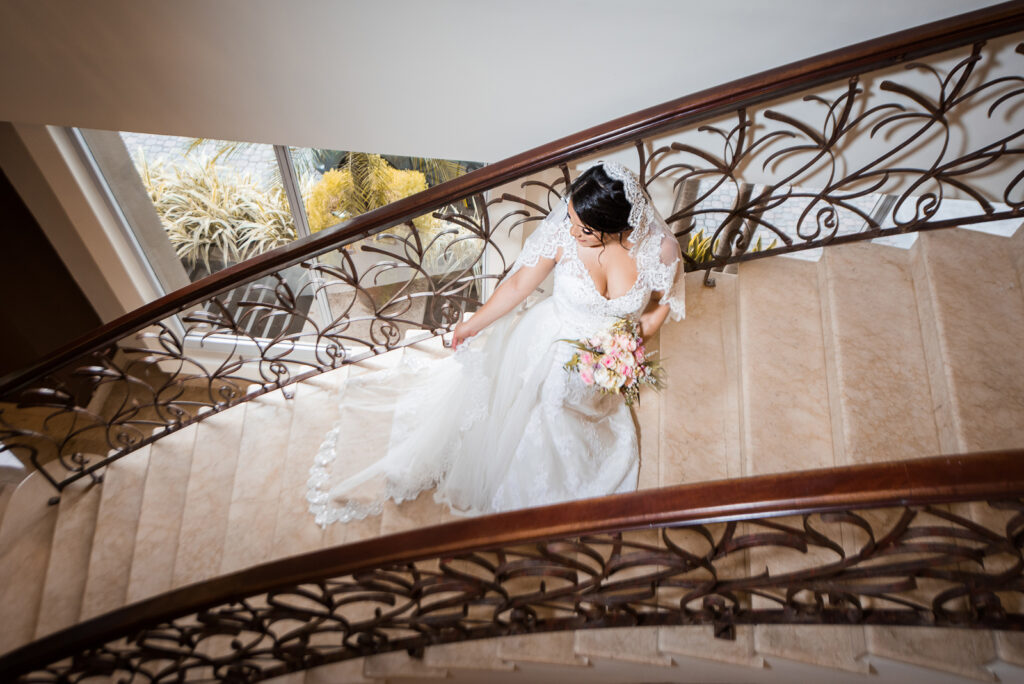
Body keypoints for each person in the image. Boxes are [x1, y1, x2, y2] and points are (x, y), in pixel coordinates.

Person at [306, 161, 685, 526]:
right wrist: (474, 324)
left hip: (600, 371)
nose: (571, 232)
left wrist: (630, 345)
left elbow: (662, 305)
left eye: (583, 229)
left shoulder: (660, 250)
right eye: (569, 219)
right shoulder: (563, 237)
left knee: (576, 414)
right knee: (539, 405)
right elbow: (520, 284)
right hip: (545, 344)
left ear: (617, 227)